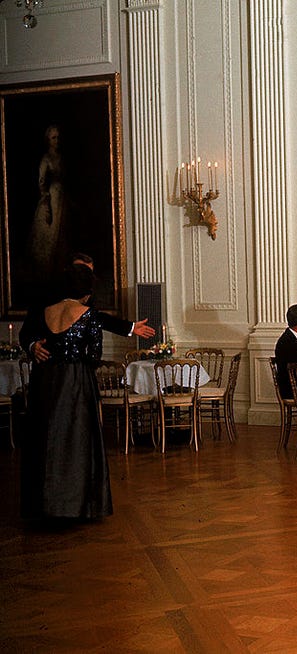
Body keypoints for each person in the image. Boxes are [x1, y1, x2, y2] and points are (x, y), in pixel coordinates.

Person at [21, 264, 111, 521]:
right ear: (87, 292)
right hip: (75, 382)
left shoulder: (45, 310)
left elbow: (30, 335)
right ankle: (78, 506)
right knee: (77, 439)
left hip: (45, 380)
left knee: (46, 438)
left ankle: (45, 505)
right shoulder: (89, 315)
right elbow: (94, 356)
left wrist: (35, 347)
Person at [20, 252, 156, 362]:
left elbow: (97, 318)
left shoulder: (86, 295)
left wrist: (130, 327)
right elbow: (26, 332)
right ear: (68, 271)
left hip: (75, 376)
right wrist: (32, 346)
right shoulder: (44, 295)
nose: (85, 278)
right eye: (81, 271)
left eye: (89, 273)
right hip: (46, 374)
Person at [31, 125, 67, 279]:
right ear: (48, 140)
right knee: (51, 232)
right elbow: (41, 182)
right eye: (54, 138)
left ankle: (61, 269)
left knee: (63, 232)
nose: (57, 141)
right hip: (51, 197)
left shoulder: (61, 157)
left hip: (62, 197)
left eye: (58, 137)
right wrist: (46, 200)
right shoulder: (46, 159)